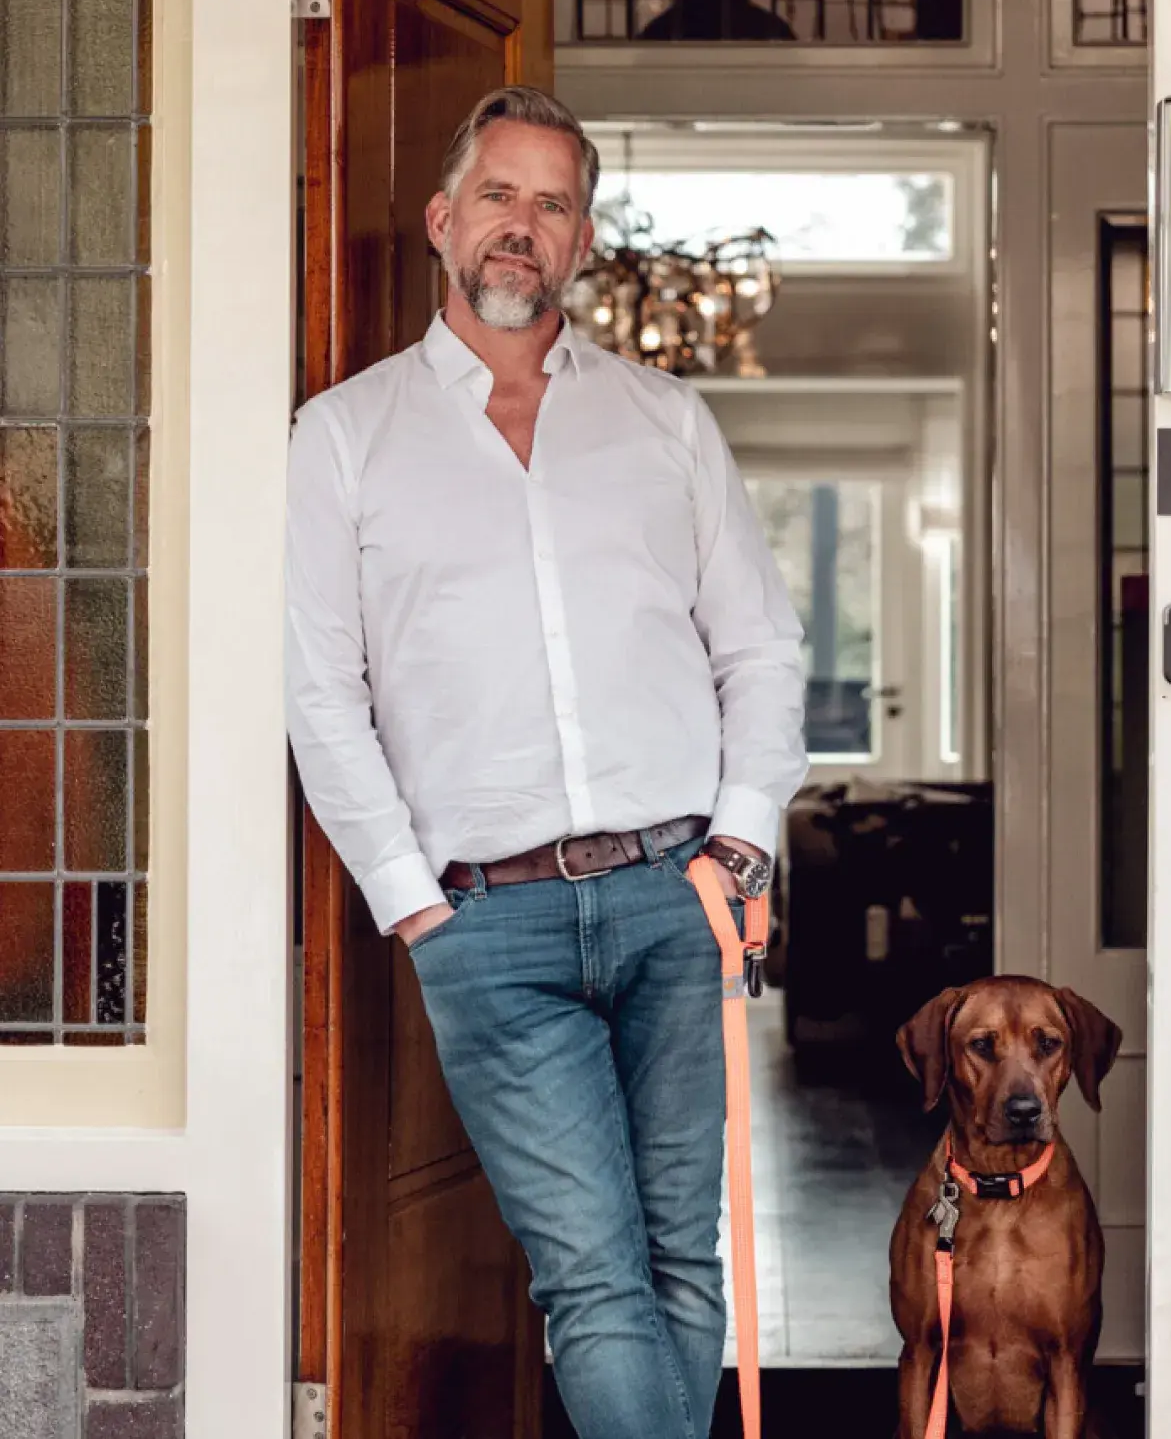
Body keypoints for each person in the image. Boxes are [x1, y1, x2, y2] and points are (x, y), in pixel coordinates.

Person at [284, 85, 808, 1439]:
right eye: (501, 196)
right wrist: (414, 903)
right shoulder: (344, 438)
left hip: (681, 899)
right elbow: (317, 691)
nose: (524, 227)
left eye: (556, 203)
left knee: (685, 1262)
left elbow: (759, 646)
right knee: (593, 1277)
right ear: (443, 220)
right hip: (486, 922)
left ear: (584, 244)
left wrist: (741, 841)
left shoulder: (664, 424)